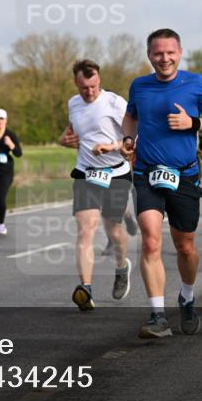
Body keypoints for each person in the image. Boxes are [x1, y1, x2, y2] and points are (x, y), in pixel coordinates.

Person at [121, 29, 202, 338]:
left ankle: (187, 296)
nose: (163, 58)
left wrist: (193, 123)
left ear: (179, 53)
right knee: (151, 240)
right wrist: (128, 137)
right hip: (147, 174)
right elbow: (130, 117)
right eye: (157, 53)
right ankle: (157, 315)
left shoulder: (196, 83)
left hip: (184, 175)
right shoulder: (140, 86)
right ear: (149, 55)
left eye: (170, 53)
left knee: (185, 246)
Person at [58, 59, 134, 310]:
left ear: (99, 80)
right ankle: (86, 289)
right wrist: (64, 140)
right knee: (85, 229)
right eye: (83, 88)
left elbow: (132, 140)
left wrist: (111, 146)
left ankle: (122, 267)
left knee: (113, 230)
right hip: (86, 173)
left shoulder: (114, 103)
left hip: (115, 173)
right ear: (76, 83)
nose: (89, 92)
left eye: (93, 86)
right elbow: (73, 133)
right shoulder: (73, 103)